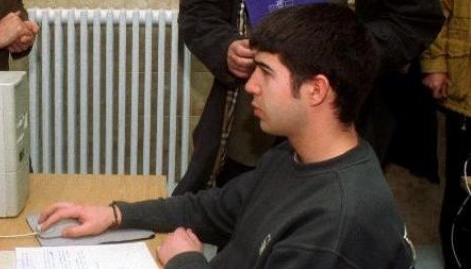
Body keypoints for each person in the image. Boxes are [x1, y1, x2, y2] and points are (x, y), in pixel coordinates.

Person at [38, 4, 415, 269]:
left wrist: (187, 266)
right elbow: (214, 209)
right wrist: (117, 214)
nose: (249, 85)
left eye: (265, 73)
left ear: (316, 90)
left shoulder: (335, 226)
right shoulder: (292, 157)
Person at [173, 0, 444, 195]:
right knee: (242, 228)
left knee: (327, 224)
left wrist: (346, 50)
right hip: (250, 128)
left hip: (337, 125)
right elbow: (199, 13)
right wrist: (225, 47)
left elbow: (416, 18)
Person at [420, 0, 471, 269]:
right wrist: (435, 67)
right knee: (463, 185)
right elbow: (434, 18)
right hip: (466, 96)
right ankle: (457, 264)